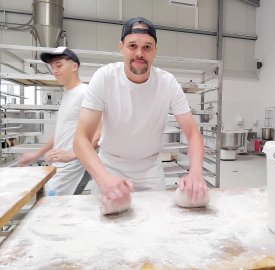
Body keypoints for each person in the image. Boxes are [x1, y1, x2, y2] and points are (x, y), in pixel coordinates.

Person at [73, 17, 207, 208]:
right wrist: (104, 179)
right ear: (121, 47)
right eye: (132, 45)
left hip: (150, 170)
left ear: (155, 51)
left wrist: (195, 173)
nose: (139, 53)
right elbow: (81, 139)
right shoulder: (105, 78)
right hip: (109, 168)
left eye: (147, 47)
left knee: (154, 228)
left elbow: (193, 134)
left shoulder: (167, 83)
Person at [18, 47, 91, 195]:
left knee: (59, 210)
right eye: (52, 67)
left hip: (74, 168)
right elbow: (60, 133)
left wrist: (72, 155)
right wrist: (36, 155)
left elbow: (100, 132)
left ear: (74, 66)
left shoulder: (85, 93)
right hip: (60, 167)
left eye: (59, 65)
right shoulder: (68, 95)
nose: (55, 71)